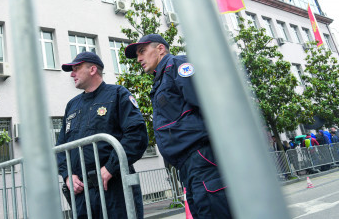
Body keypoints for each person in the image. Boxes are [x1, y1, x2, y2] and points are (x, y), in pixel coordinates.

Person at [125, 34, 233, 218]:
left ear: (160, 49)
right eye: (137, 55)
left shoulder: (177, 65)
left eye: (142, 51)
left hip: (201, 158)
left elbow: (207, 104)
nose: (139, 58)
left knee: (213, 211)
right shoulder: (161, 78)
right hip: (188, 166)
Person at [56, 52, 148, 219]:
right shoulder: (72, 105)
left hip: (113, 187)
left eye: (76, 68)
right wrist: (67, 175)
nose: (72, 74)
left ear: (92, 69)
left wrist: (110, 168)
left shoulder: (118, 94)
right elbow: (61, 147)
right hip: (82, 193)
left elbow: (136, 136)